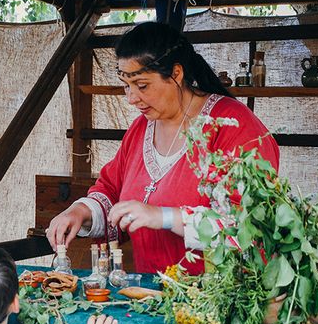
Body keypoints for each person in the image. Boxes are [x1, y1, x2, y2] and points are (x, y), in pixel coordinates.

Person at [46, 22, 280, 274]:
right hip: (154, 294)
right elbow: (112, 190)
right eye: (126, 85)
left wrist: (164, 216)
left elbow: (250, 223)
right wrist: (79, 211)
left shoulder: (235, 126)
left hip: (221, 300)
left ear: (176, 74)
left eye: (142, 85)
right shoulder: (140, 130)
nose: (131, 98)